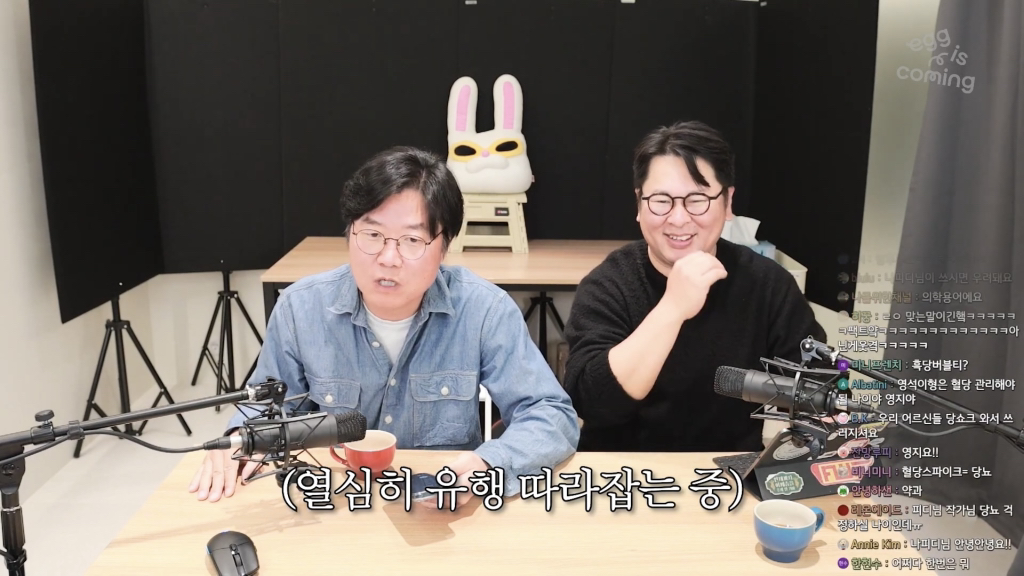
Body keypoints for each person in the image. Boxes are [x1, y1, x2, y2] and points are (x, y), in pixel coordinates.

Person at [189, 146, 579, 503]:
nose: (389, 258)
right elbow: (265, 410)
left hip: (439, 506)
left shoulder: (484, 310)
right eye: (373, 234)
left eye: (411, 240)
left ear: (444, 247)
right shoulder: (300, 309)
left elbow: (551, 414)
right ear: (349, 233)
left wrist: (487, 465)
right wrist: (238, 439)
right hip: (335, 500)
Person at [562, 120, 826, 453]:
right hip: (622, 469)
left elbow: (818, 389)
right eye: (661, 200)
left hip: (725, 468)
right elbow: (593, 404)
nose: (678, 218)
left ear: (727, 202)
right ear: (639, 204)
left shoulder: (767, 284)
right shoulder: (608, 284)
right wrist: (673, 308)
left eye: (697, 199)